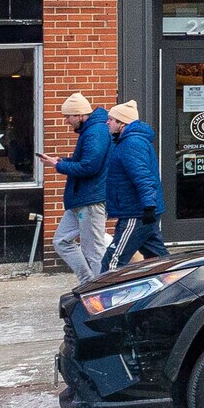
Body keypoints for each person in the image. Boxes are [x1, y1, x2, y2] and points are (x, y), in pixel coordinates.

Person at [42, 93, 109, 281]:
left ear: (80, 115)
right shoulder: (92, 131)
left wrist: (59, 166)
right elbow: (86, 162)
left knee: (94, 252)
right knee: (61, 241)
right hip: (82, 198)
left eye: (68, 117)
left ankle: (102, 292)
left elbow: (90, 166)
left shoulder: (95, 132)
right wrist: (61, 161)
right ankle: (88, 282)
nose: (66, 121)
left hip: (91, 199)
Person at [101, 101, 167, 273]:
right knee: (160, 261)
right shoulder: (127, 141)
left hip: (136, 213)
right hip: (140, 211)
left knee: (112, 263)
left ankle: (103, 298)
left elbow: (143, 177)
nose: (107, 123)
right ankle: (177, 286)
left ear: (122, 123)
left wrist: (148, 207)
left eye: (111, 119)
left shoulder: (131, 144)